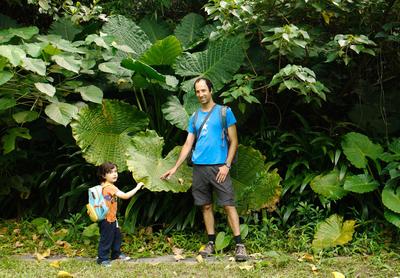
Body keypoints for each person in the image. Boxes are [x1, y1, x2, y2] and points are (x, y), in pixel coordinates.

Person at [160, 77, 247, 261]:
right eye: (197, 91)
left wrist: (227, 165)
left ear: (211, 90)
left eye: (203, 90)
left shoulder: (224, 112)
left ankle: (239, 245)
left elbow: (234, 141)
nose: (200, 94)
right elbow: (188, 143)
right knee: (205, 206)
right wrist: (175, 167)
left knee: (228, 204)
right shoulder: (195, 117)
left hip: (219, 167)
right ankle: (211, 242)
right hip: (199, 167)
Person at [96, 162, 144, 267]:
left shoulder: (103, 186)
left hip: (110, 218)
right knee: (107, 238)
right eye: (110, 172)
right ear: (104, 175)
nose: (114, 174)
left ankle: (115, 254)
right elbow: (125, 196)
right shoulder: (110, 187)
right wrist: (137, 187)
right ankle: (102, 258)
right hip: (107, 219)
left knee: (116, 236)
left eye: (115, 171)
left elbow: (108, 201)